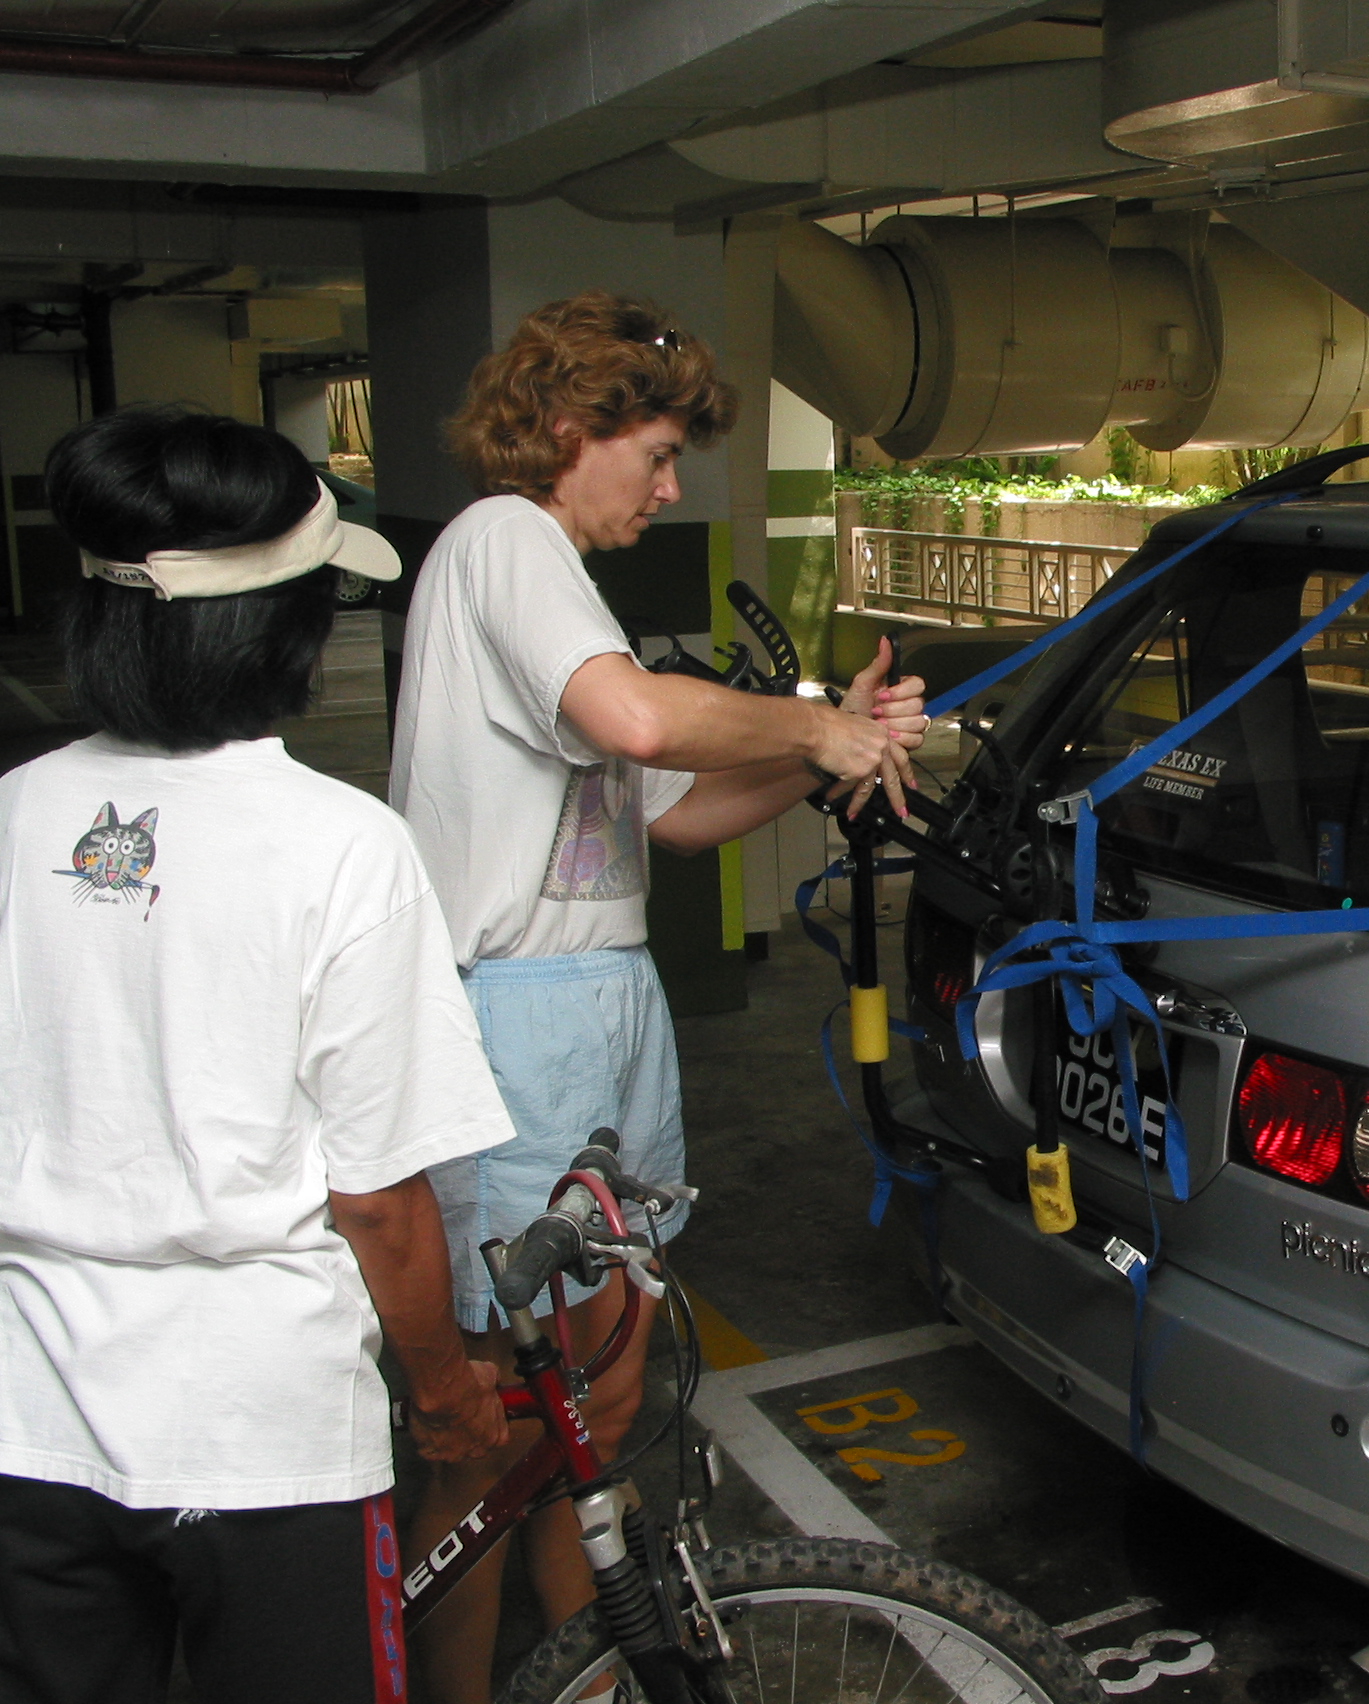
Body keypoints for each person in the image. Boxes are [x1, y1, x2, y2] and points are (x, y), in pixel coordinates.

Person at [390, 289, 928, 1698]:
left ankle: (594, 1671)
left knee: (602, 1399)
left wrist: (837, 751)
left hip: (601, 999)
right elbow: (637, 717)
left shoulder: (554, 580)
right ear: (571, 429)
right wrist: (811, 718)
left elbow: (672, 813)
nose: (673, 485)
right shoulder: (508, 540)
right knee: (508, 1421)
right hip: (518, 1012)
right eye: (657, 452)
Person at [0, 408, 515, 1703]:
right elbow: (382, 1205)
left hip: (28, 1428)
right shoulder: (338, 846)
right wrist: (448, 1395)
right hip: (264, 1444)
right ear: (280, 624)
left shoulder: (16, 813)